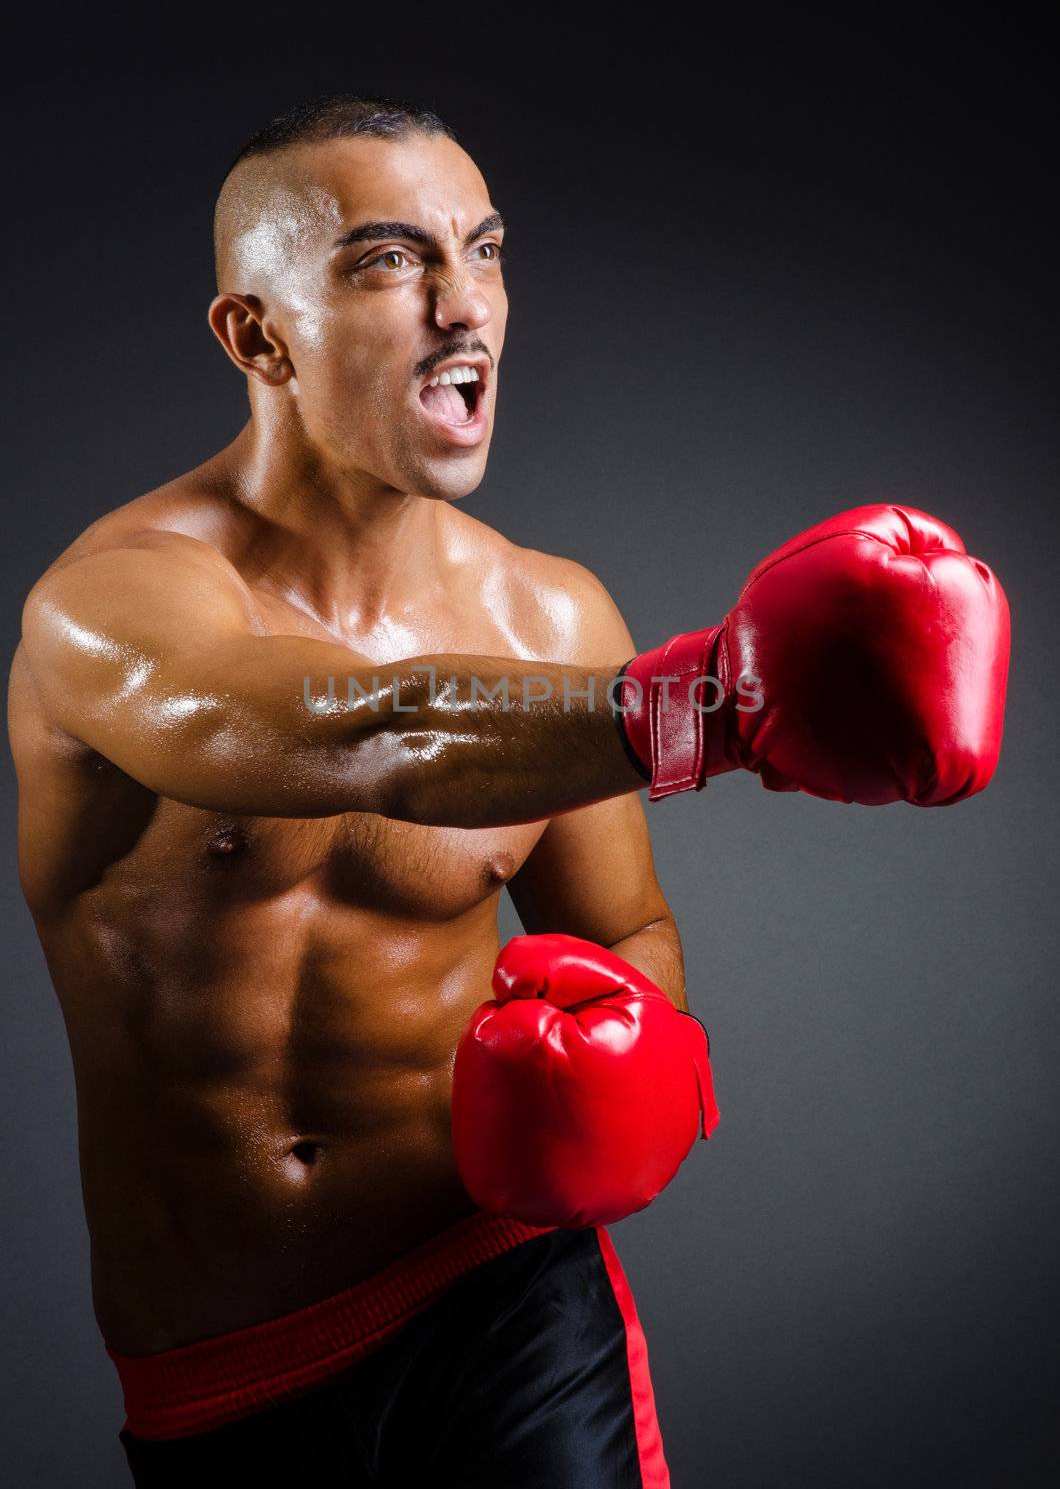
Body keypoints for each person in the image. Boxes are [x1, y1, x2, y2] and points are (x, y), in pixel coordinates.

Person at [7, 93, 1009, 1487]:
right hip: (226, 1371)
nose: (462, 306)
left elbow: (626, 931)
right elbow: (378, 738)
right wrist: (715, 705)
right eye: (390, 261)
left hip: (506, 1302)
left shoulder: (552, 620)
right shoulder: (109, 609)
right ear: (258, 335)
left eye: (481, 252)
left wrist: (630, 1038)